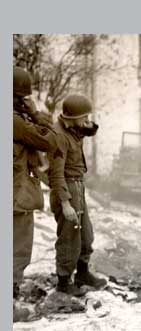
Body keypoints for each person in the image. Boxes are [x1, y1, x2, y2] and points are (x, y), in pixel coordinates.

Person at [48, 94, 107, 296]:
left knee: (85, 235)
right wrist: (65, 203)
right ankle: (64, 283)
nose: (86, 121)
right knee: (69, 237)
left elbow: (89, 130)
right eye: (84, 117)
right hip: (66, 189)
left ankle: (82, 274)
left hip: (78, 186)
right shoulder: (59, 136)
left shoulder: (73, 129)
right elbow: (55, 174)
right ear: (73, 117)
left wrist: (88, 122)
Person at [13, 66, 59, 300]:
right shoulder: (16, 122)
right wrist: (36, 113)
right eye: (24, 97)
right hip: (15, 197)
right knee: (16, 253)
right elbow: (51, 140)